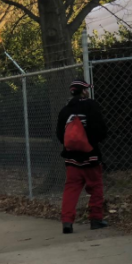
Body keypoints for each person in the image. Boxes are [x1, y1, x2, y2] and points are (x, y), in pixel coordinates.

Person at [55, 79, 108, 234]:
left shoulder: (65, 111)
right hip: (91, 156)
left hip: (72, 158)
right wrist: (92, 142)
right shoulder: (91, 105)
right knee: (96, 187)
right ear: (84, 91)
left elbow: (60, 134)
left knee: (71, 189)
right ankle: (96, 219)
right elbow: (101, 129)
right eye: (86, 89)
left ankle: (67, 222)